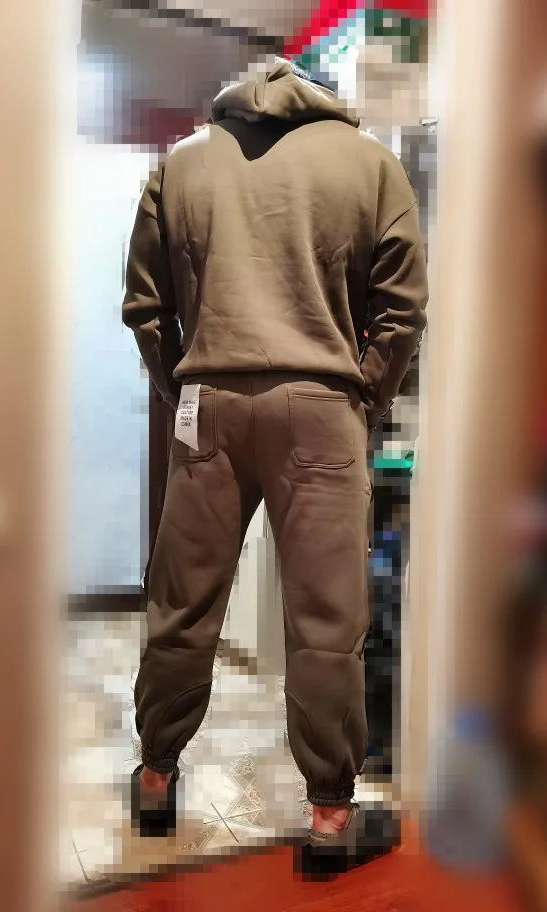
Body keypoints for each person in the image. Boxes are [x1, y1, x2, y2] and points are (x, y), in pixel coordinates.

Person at [123, 57, 428, 866]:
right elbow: (402, 310)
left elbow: (146, 306)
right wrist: (363, 399)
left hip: (208, 402)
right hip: (321, 405)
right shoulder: (370, 165)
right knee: (326, 620)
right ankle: (329, 818)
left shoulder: (182, 163)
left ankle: (154, 780)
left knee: (182, 603)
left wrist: (182, 387)